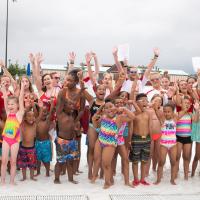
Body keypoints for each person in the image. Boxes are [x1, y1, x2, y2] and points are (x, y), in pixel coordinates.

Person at [91, 102, 135, 189]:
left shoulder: (119, 118)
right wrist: (93, 120)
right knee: (96, 159)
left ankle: (108, 182)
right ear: (104, 110)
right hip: (100, 140)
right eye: (107, 108)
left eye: (111, 106)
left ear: (115, 107)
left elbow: (132, 117)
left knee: (106, 163)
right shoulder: (103, 116)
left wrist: (124, 109)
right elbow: (97, 127)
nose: (109, 109)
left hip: (111, 142)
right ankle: (95, 176)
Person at [54, 89, 80, 184]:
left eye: (73, 105)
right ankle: (56, 178)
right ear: (63, 106)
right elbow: (60, 99)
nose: (72, 106)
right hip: (61, 141)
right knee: (60, 162)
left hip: (72, 141)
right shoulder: (60, 114)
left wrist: (80, 92)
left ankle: (71, 178)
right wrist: (65, 88)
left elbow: (75, 100)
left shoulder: (72, 115)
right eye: (70, 105)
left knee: (70, 161)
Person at [1, 82, 24, 185]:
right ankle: (2, 180)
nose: (10, 106)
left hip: (15, 141)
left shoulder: (19, 115)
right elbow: (5, 99)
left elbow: (20, 99)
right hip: (6, 139)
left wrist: (22, 88)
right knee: (4, 161)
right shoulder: (8, 113)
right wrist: (4, 90)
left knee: (13, 161)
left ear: (17, 105)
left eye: (12, 104)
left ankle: (12, 181)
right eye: (9, 104)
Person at [129, 93, 152, 186]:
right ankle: (136, 179)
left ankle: (143, 179)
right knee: (135, 160)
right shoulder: (134, 114)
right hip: (136, 139)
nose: (145, 102)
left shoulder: (148, 113)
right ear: (137, 102)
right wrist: (130, 140)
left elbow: (150, 127)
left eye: (146, 100)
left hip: (146, 139)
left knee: (144, 160)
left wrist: (151, 139)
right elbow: (131, 128)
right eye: (142, 100)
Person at [175, 97, 199, 180]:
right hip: (178, 137)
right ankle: (175, 174)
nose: (187, 104)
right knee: (177, 156)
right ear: (180, 104)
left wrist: (197, 110)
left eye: (188, 103)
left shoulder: (190, 114)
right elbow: (176, 119)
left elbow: (195, 120)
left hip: (188, 138)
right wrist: (185, 110)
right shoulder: (178, 113)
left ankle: (186, 176)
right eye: (185, 103)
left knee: (186, 157)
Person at [154, 103, 178, 185]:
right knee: (161, 162)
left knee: (173, 162)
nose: (166, 113)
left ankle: (172, 179)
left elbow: (178, 111)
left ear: (172, 112)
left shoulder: (175, 119)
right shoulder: (162, 120)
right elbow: (156, 111)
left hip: (173, 144)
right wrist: (157, 107)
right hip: (163, 144)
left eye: (168, 111)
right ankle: (158, 179)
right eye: (165, 111)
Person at [35, 99, 54, 177]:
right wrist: (36, 105)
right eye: (42, 111)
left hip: (46, 143)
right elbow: (38, 114)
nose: (43, 113)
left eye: (45, 111)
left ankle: (47, 172)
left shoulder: (48, 121)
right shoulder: (37, 120)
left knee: (46, 159)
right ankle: (38, 172)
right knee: (38, 159)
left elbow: (51, 111)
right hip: (38, 142)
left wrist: (52, 104)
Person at [17, 109, 37, 181]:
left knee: (32, 164)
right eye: (29, 116)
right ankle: (24, 177)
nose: (31, 117)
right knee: (23, 165)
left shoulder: (35, 125)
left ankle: (32, 177)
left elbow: (38, 116)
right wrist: (27, 108)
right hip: (23, 148)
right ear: (25, 118)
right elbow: (22, 116)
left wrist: (35, 106)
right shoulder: (23, 125)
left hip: (32, 148)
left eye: (33, 116)